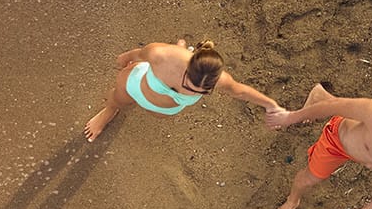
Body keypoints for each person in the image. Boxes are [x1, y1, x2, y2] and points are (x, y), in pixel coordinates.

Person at [83, 37, 280, 145]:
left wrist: (271, 105)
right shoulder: (161, 55)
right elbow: (136, 54)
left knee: (156, 113)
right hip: (134, 85)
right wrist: (125, 60)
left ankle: (182, 46)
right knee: (117, 99)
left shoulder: (220, 80)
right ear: (186, 68)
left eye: (203, 91)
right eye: (189, 85)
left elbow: (241, 92)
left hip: (165, 109)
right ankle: (108, 112)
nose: (192, 91)